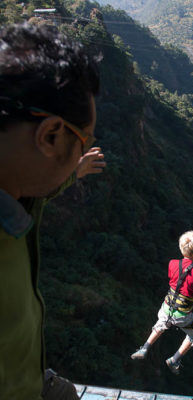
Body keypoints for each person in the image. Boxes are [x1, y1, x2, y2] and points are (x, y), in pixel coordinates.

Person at [0, 23, 105, 400]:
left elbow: (36, 192)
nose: (84, 154)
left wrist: (69, 171)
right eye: (83, 142)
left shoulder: (14, 196)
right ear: (50, 136)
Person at [131, 230, 193, 375]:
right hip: (183, 316)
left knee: (161, 325)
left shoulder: (172, 263)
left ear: (181, 247)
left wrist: (192, 287)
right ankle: (174, 360)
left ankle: (144, 348)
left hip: (166, 308)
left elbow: (178, 282)